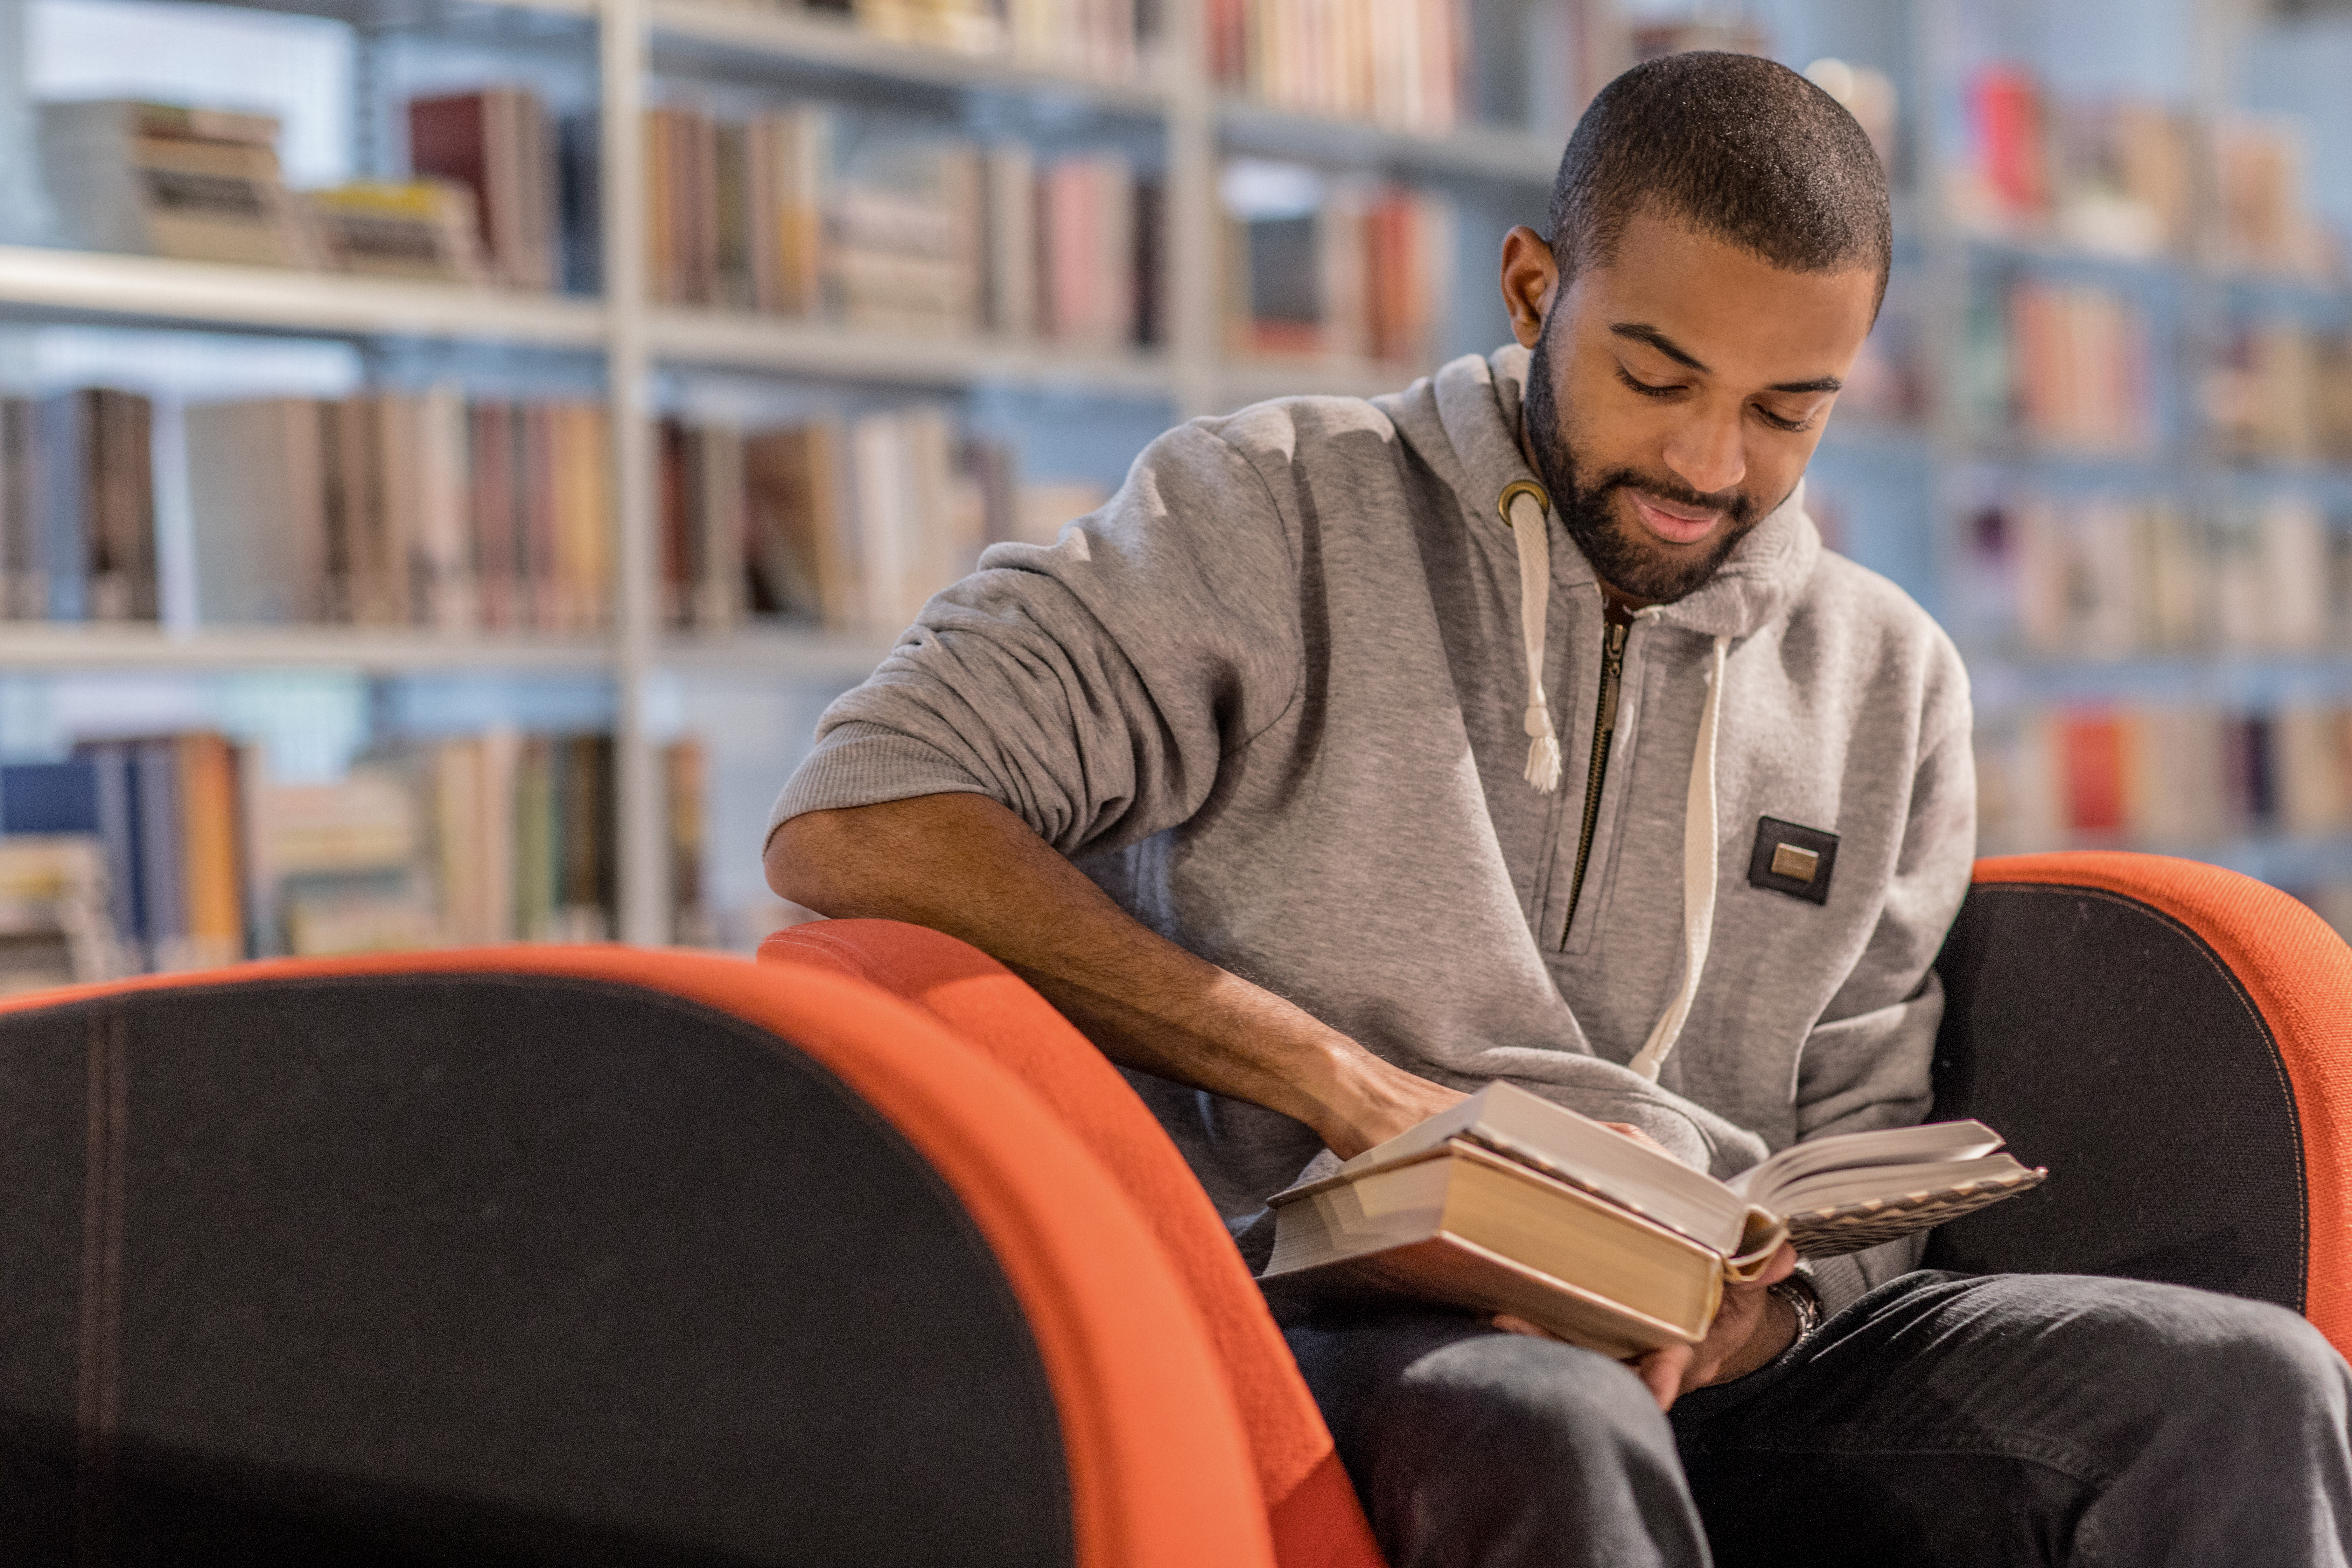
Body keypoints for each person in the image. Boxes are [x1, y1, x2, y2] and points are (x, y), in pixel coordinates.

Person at [763, 50, 2352, 1568]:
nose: (1707, 460)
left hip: (1714, 1356)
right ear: (1534, 289)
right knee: (1554, 1414)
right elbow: (863, 813)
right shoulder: (1267, 516)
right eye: (1654, 375)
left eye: (1788, 411)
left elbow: (1865, 1131)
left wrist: (1769, 1312)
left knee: (2237, 1383)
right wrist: (1343, 1086)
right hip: (1336, 1319)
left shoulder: (1890, 677)